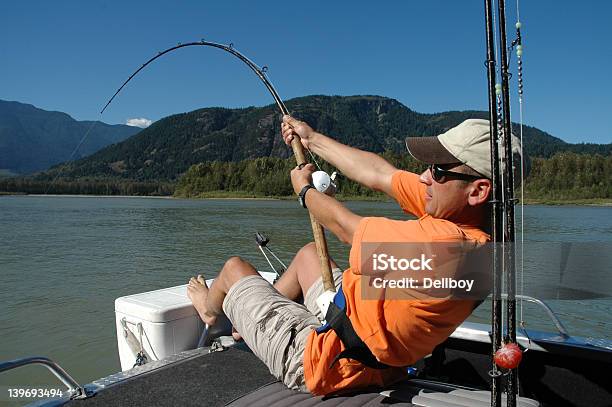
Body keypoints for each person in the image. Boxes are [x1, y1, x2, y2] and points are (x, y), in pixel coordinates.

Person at [187, 116, 523, 395]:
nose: (424, 178)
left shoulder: (447, 248)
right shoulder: (479, 232)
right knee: (307, 255)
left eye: (438, 171)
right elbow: (378, 174)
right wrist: (312, 138)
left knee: (234, 269)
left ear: (478, 191)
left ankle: (211, 313)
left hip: (323, 362)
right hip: (372, 350)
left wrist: (304, 191)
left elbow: (347, 228)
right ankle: (252, 325)